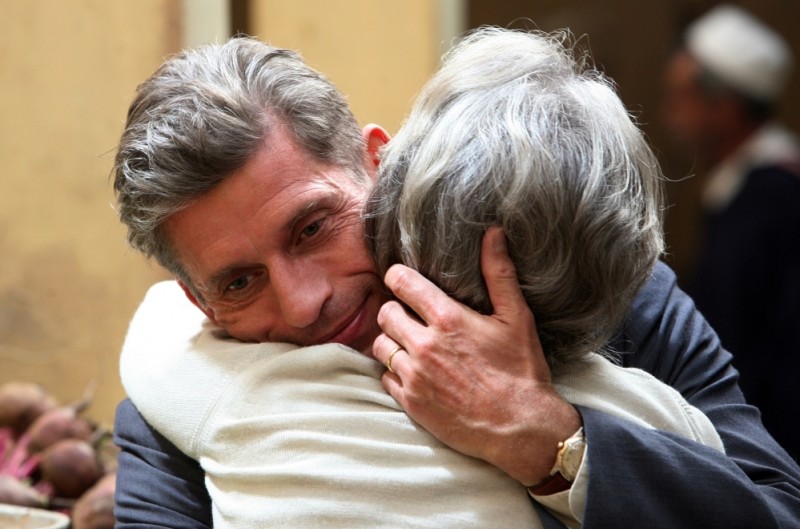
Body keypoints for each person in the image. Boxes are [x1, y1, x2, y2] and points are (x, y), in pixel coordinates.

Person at [111, 28, 800, 529]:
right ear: (198, 302)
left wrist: (547, 439)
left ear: (379, 164)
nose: (303, 303)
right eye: (239, 283)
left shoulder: (597, 288)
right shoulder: (171, 410)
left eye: (313, 228)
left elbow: (778, 509)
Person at [661, 3, 800, 457]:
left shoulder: (773, 199)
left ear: (725, 105)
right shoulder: (744, 190)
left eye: (682, 96)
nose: (671, 115)